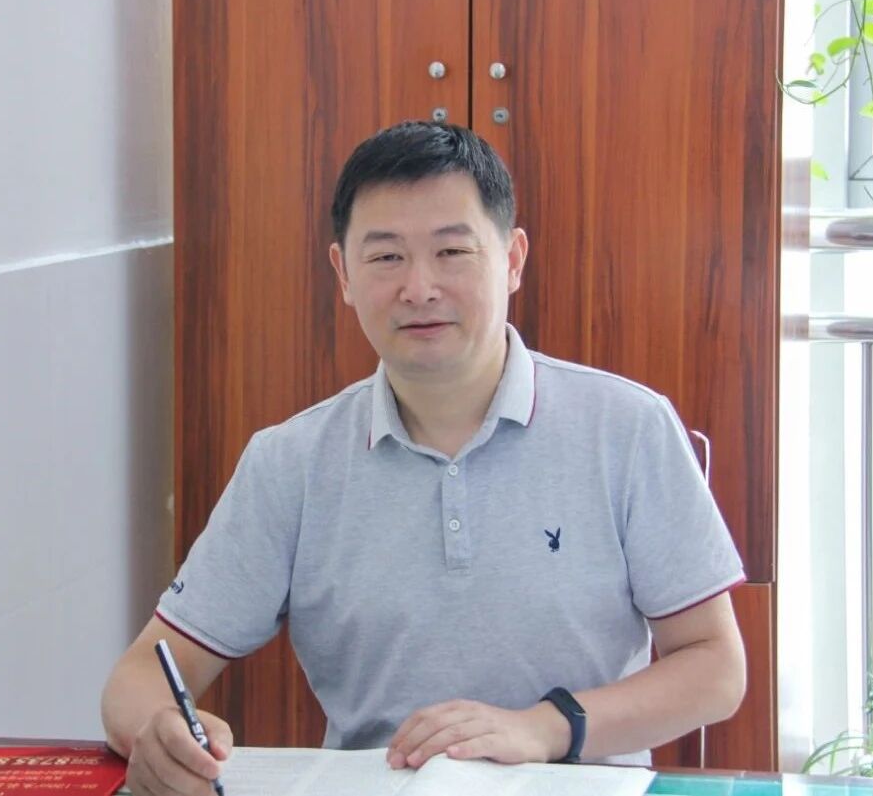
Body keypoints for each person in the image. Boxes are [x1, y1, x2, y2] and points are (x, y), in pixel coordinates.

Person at [101, 121, 747, 796]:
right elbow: (141, 674)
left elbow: (715, 666)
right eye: (386, 257)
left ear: (513, 260)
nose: (419, 287)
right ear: (343, 274)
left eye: (452, 251)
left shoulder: (628, 429)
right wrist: (160, 733)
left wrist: (545, 727)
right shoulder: (290, 463)